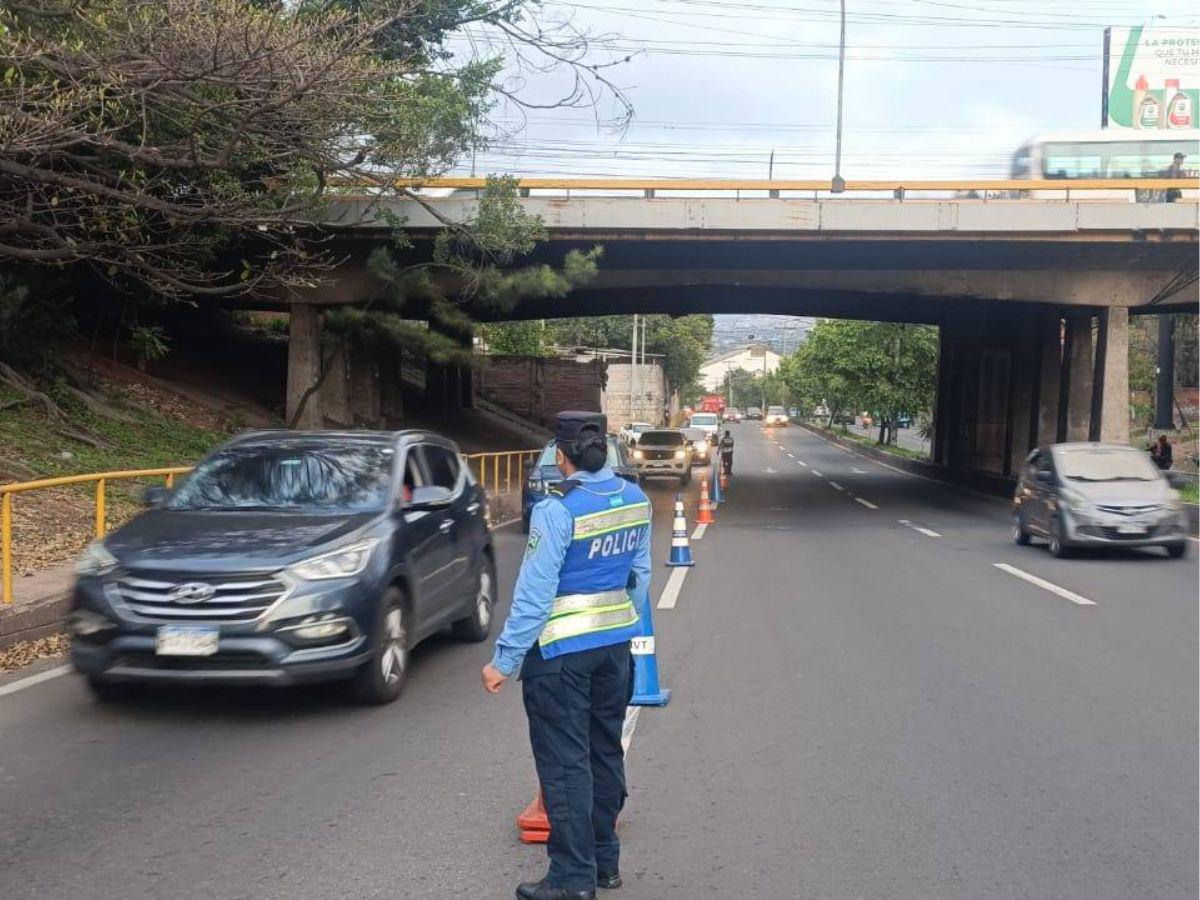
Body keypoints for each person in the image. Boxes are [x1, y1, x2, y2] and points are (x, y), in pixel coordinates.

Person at [483, 411, 652, 900]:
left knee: (564, 766)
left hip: (560, 657)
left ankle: (571, 880)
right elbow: (639, 579)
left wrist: (504, 659)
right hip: (614, 649)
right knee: (603, 752)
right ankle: (604, 864)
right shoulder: (634, 499)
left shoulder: (558, 511)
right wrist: (617, 624)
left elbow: (534, 596)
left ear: (561, 457)